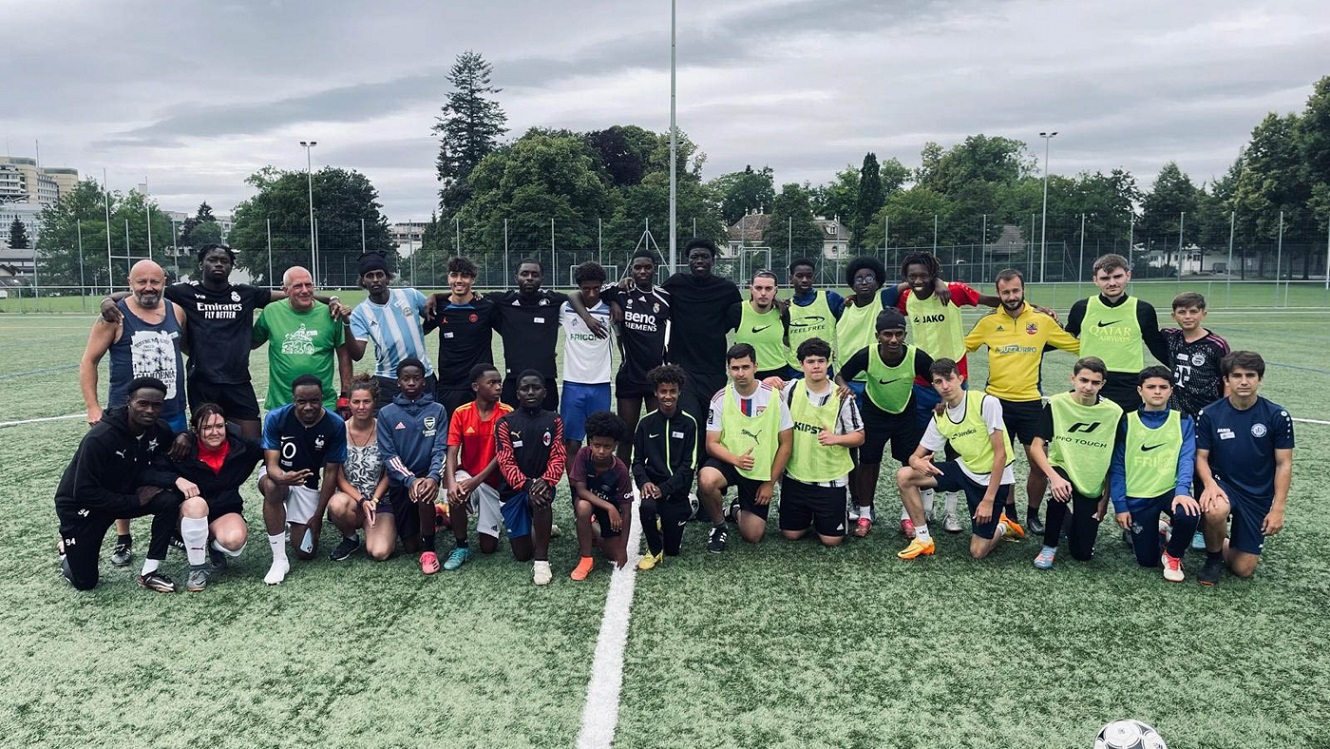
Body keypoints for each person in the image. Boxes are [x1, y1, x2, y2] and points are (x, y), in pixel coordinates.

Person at [99, 244, 290, 441]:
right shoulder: (184, 292)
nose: (218, 264)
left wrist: (312, 296)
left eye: (224, 261)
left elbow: (290, 295)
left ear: (231, 266)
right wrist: (108, 300)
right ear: (201, 264)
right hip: (202, 382)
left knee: (252, 443)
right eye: (212, 260)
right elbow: (147, 292)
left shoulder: (246, 293)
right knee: (206, 440)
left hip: (238, 380)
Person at [80, 259, 188, 568]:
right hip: (126, 416)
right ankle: (123, 538)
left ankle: (172, 529)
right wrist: (92, 406)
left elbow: (185, 351)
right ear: (130, 282)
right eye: (142, 282)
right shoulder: (114, 316)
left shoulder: (176, 311)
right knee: (120, 476)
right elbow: (88, 361)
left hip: (172, 411)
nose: (148, 287)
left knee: (173, 468)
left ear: (164, 281)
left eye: (155, 281)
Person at [963, 268, 1080, 535]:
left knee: (1038, 463)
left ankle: (1033, 514)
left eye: (1016, 290)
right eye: (1005, 292)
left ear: (1023, 290)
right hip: (996, 402)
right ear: (999, 294)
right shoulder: (988, 322)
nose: (1011, 296)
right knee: (1002, 462)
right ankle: (1010, 513)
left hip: (1030, 402)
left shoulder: (1041, 321)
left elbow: (1076, 346)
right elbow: (961, 348)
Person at [54, 377, 198, 592]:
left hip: (123, 496)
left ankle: (149, 572)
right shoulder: (100, 438)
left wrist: (185, 435)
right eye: (143, 403)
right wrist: (135, 501)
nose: (149, 410)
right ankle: (67, 550)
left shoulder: (158, 429)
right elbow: (83, 491)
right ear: (129, 402)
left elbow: (168, 456)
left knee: (168, 500)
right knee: (85, 582)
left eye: (156, 405)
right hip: (84, 506)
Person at [895, 359, 1023, 561]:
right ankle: (923, 539)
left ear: (960, 379)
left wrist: (988, 500)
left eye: (949, 379)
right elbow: (915, 455)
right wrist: (915, 462)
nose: (945, 386)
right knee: (905, 475)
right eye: (939, 382)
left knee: (978, 552)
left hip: (992, 479)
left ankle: (1003, 524)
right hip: (965, 470)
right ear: (933, 385)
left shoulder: (986, 403)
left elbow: (1001, 454)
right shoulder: (940, 415)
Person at [1195, 351, 1294, 585]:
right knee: (1215, 509)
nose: (1244, 381)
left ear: (1260, 379)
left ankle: (1220, 540)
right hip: (1224, 484)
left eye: (1250, 375)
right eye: (1237, 375)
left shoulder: (1277, 416)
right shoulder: (1209, 414)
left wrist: (1278, 508)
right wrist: (1210, 484)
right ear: (1226, 380)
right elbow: (1200, 457)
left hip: (1257, 493)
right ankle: (1213, 558)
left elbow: (1284, 463)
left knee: (1243, 569)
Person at [836, 309, 933, 538]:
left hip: (905, 414)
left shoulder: (916, 356)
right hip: (874, 414)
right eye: (887, 334)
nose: (893, 340)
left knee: (910, 464)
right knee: (868, 462)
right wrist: (844, 386)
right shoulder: (867, 355)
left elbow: (938, 378)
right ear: (877, 335)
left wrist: (943, 400)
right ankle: (865, 514)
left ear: (905, 334)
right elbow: (841, 375)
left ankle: (908, 516)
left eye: (899, 334)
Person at [567, 249, 670, 463]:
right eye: (637, 267)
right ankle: (622, 477)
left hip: (656, 376)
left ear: (656, 269)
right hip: (629, 375)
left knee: (657, 433)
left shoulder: (665, 298)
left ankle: (655, 476)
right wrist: (612, 302)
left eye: (647, 267)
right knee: (625, 435)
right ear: (631, 269)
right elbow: (575, 294)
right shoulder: (619, 292)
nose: (642, 271)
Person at [1108, 366, 1200, 582]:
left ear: (1171, 390)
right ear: (1140, 390)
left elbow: (1187, 458)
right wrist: (1120, 506)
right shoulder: (1126, 421)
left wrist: (1182, 491)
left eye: (1163, 387)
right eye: (1151, 387)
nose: (1157, 391)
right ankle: (1159, 532)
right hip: (1138, 496)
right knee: (1147, 561)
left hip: (1169, 491)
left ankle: (1173, 555)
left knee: (1189, 514)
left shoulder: (1183, 420)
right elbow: (1117, 466)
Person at [1029, 358, 1123, 569]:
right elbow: (1036, 446)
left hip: (1092, 478)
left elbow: (1115, 458)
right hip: (1062, 466)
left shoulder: (1114, 412)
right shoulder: (1056, 403)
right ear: (1073, 378)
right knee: (1059, 493)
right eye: (1083, 380)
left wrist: (1105, 498)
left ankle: (1068, 518)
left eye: (1095, 382)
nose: (1088, 387)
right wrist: (1053, 477)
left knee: (1082, 554)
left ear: (1102, 384)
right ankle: (1049, 545)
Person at [698, 343, 794, 551]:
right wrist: (736, 460)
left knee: (753, 535)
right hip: (730, 461)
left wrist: (769, 483)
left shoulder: (774, 397)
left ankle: (735, 509)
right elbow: (711, 444)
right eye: (735, 368)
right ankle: (719, 526)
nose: (740, 373)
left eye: (745, 367)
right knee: (706, 479)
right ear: (728, 369)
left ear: (755, 367)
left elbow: (786, 444)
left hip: (758, 469)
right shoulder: (720, 398)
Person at [161, 403, 265, 590]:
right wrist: (176, 479)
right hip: (189, 513)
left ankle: (209, 544)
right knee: (196, 504)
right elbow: (153, 469)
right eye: (207, 427)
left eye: (219, 426)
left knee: (235, 541)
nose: (214, 432)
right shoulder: (181, 449)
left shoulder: (240, 447)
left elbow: (269, 447)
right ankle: (197, 568)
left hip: (224, 511)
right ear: (195, 430)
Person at [257, 374, 346, 585]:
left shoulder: (335, 424)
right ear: (293, 400)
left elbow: (330, 474)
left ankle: (290, 521)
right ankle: (279, 559)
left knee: (306, 552)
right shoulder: (276, 417)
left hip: (307, 482)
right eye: (302, 401)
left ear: (322, 398)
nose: (308, 407)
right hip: (279, 475)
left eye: (314, 401)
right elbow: (271, 465)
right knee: (272, 487)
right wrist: (282, 478)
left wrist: (318, 516)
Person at [659, 238, 743, 457]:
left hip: (713, 369)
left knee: (712, 424)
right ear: (687, 260)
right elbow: (651, 299)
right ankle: (685, 468)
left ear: (713, 261)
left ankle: (707, 468)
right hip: (683, 368)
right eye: (694, 256)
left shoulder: (726, 289)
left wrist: (777, 305)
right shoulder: (676, 283)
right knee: (690, 419)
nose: (699, 261)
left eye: (704, 256)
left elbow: (744, 313)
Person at [1161, 291, 1229, 550]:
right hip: (1177, 417)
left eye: (1193, 311)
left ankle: (1203, 527)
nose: (1188, 316)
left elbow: (1227, 379)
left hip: (1206, 419)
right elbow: (1142, 328)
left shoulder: (1216, 345)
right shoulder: (1171, 337)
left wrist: (1224, 413)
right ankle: (1176, 517)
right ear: (1174, 315)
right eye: (1182, 312)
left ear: (1203, 313)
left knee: (1204, 472)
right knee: (1175, 468)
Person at [780, 338, 863, 547]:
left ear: (828, 362)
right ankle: (807, 514)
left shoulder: (842, 396)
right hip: (796, 477)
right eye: (810, 361)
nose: (816, 366)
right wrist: (770, 380)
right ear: (801, 364)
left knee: (831, 541)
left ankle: (830, 513)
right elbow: (758, 391)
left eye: (821, 361)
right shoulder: (790, 389)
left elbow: (860, 436)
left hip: (830, 478)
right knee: (791, 535)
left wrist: (837, 439)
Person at [1064, 253, 1169, 411]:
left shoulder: (1143, 310)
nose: (1112, 283)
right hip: (1091, 381)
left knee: (1124, 426)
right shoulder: (1082, 308)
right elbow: (1065, 338)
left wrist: (1180, 368)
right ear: (1095, 280)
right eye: (1105, 278)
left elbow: (1156, 346)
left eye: (1117, 276)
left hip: (1128, 385)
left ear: (1128, 276)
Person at [375, 358, 449, 574]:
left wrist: (433, 477)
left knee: (424, 491)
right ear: (398, 382)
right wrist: (410, 480)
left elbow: (440, 449)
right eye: (406, 378)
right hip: (401, 483)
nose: (411, 383)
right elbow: (389, 455)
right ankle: (437, 516)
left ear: (424, 381)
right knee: (410, 545)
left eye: (416, 378)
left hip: (427, 478)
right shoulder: (387, 413)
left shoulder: (437, 410)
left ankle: (429, 550)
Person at [494, 370, 566, 585]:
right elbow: (505, 461)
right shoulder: (505, 423)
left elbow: (558, 455)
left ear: (545, 392)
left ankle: (542, 561)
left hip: (542, 486)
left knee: (541, 500)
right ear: (518, 394)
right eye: (525, 388)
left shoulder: (554, 420)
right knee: (522, 554)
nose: (531, 392)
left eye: (536, 388)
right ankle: (541, 528)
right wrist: (527, 485)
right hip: (514, 491)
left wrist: (546, 481)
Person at [252, 265, 351, 410]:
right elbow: (252, 343)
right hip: (281, 404)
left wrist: (345, 395)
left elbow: (344, 355)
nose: (305, 290)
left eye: (308, 285)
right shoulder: (271, 312)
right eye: (298, 286)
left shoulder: (331, 314)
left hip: (324, 405)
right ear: (285, 290)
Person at [443, 363, 513, 569]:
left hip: (494, 483)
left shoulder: (507, 413)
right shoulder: (461, 413)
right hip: (468, 475)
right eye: (492, 383)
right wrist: (451, 483)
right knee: (456, 491)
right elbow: (452, 452)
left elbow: (503, 454)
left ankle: (497, 517)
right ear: (476, 387)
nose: (498, 387)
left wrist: (477, 480)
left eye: (499, 382)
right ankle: (461, 545)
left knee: (488, 547)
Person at [344, 251, 436, 408]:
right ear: (363, 281)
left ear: (387, 277)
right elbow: (357, 354)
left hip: (423, 376)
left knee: (429, 420)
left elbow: (435, 316)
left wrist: (422, 329)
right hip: (388, 380)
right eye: (369, 276)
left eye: (379, 275)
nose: (375, 280)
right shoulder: (360, 312)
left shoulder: (410, 295)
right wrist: (346, 325)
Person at [633, 364, 698, 570]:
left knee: (673, 550)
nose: (667, 396)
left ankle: (680, 511)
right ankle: (654, 550)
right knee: (647, 507)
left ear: (679, 392)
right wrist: (645, 483)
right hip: (653, 487)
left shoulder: (689, 423)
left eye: (672, 391)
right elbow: (636, 461)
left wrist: (666, 488)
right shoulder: (645, 423)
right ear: (655, 392)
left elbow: (689, 465)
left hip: (676, 491)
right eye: (663, 391)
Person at [324, 376, 392, 562]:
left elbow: (389, 473)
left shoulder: (385, 430)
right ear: (349, 403)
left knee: (379, 552)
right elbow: (339, 478)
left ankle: (379, 528)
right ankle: (350, 538)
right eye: (356, 402)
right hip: (353, 501)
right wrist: (362, 501)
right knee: (336, 504)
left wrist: (374, 500)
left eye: (366, 401)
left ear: (375, 402)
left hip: (379, 502)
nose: (361, 407)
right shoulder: (339, 431)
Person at [569, 411, 635, 580]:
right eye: (597, 445)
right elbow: (581, 490)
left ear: (615, 446)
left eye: (607, 447)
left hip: (608, 511)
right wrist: (609, 507)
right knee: (583, 506)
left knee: (613, 554)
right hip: (591, 502)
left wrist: (622, 548)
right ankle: (586, 559)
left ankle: (592, 526)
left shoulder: (620, 470)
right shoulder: (583, 455)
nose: (601, 451)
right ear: (590, 442)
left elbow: (627, 511)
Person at [426, 256, 497, 413]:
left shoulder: (486, 307)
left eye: (464, 276)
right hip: (449, 385)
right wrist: (434, 295)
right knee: (451, 429)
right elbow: (419, 333)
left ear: (473, 279)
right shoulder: (439, 308)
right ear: (448, 278)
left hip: (480, 386)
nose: (458, 280)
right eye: (454, 275)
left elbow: (509, 331)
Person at [560, 261, 615, 460]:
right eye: (586, 289)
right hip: (573, 385)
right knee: (571, 442)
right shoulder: (566, 309)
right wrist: (587, 318)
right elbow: (571, 296)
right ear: (579, 287)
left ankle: (596, 479)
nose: (591, 294)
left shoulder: (610, 309)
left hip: (601, 385)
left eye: (596, 288)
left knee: (600, 441)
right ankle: (576, 481)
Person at [784, 257, 844, 378]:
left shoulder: (830, 299)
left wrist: (853, 298)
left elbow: (852, 314)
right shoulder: (786, 307)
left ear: (814, 278)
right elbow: (784, 339)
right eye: (799, 276)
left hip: (823, 366)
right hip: (795, 368)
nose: (804, 280)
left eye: (809, 276)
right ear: (791, 279)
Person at [729, 270, 791, 381]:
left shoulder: (782, 311)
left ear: (775, 290)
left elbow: (789, 340)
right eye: (758, 288)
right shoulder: (737, 310)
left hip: (778, 373)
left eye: (768, 288)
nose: (763, 293)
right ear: (751, 289)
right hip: (747, 373)